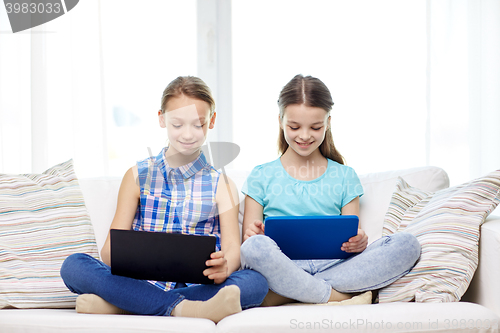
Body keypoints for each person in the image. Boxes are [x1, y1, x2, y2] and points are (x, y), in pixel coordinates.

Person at [60, 76, 268, 323]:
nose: (188, 134)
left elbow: (233, 249)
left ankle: (126, 303)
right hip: (138, 280)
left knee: (256, 282)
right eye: (177, 124)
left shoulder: (221, 184)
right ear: (162, 118)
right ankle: (185, 308)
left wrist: (225, 265)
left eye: (198, 124)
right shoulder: (137, 175)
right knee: (73, 265)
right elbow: (108, 253)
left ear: (211, 121)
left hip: (196, 282)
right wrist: (128, 256)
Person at [239, 74, 421, 306]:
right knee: (255, 247)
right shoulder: (261, 175)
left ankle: (290, 292)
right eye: (294, 127)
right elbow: (249, 244)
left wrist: (359, 241)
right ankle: (335, 295)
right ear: (280, 121)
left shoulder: (344, 176)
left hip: (336, 266)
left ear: (328, 122)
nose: (304, 136)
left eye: (316, 127)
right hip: (282, 265)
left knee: (407, 244)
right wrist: (254, 234)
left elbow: (352, 233)